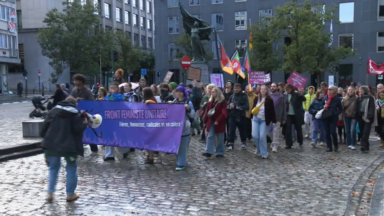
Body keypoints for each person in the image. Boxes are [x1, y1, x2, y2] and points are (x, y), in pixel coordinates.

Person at [40, 96, 87, 203]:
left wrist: (44, 138)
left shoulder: (53, 111)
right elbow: (78, 129)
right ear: (74, 104)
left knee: (53, 169)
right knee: (71, 168)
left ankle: (50, 193)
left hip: (51, 144)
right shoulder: (75, 114)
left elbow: (44, 128)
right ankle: (70, 194)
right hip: (69, 147)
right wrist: (85, 123)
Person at [170, 85, 195, 171]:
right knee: (175, 146)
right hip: (175, 128)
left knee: (182, 147)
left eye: (176, 92)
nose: (174, 93)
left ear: (181, 93)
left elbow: (192, 115)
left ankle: (181, 163)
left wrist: (188, 109)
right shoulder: (174, 101)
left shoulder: (188, 102)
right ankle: (181, 159)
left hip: (185, 128)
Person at [103, 83, 129, 161]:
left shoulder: (120, 96)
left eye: (114, 88)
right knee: (109, 136)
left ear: (117, 89)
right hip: (109, 118)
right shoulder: (107, 97)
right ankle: (109, 155)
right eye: (111, 88)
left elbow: (120, 100)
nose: (112, 89)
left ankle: (125, 150)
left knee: (120, 136)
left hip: (118, 118)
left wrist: (114, 94)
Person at [251, 85, 276, 159]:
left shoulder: (269, 100)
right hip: (256, 119)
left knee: (262, 136)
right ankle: (258, 148)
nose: (263, 90)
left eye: (265, 89)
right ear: (260, 90)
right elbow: (253, 108)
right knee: (255, 135)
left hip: (264, 120)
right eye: (262, 89)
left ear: (267, 90)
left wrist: (273, 121)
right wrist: (251, 116)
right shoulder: (256, 98)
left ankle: (264, 153)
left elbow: (272, 111)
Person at [202, 86, 227, 158]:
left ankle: (220, 152)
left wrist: (218, 120)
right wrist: (205, 121)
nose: (212, 93)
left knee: (220, 137)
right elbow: (207, 112)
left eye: (214, 92)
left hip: (219, 122)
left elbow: (224, 112)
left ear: (217, 92)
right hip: (211, 121)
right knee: (210, 135)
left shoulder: (222, 101)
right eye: (212, 92)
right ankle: (208, 151)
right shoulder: (210, 102)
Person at [321, 85, 343, 152]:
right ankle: (329, 147)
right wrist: (323, 106)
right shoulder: (325, 98)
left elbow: (340, 109)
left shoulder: (337, 99)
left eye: (330, 89)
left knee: (333, 132)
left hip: (333, 117)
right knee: (327, 132)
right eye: (328, 89)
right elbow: (320, 106)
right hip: (325, 117)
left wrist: (335, 113)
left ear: (334, 91)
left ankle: (335, 145)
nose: (329, 90)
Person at [227, 83, 249, 150]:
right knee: (231, 130)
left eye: (237, 88)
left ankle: (243, 142)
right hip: (232, 115)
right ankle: (231, 143)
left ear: (240, 88)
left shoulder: (244, 96)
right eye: (235, 88)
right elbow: (227, 105)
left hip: (241, 116)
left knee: (242, 130)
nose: (236, 89)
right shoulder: (232, 96)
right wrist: (229, 106)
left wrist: (236, 107)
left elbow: (246, 107)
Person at [284, 84, 306, 149]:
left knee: (298, 128)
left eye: (288, 89)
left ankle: (300, 141)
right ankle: (289, 144)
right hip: (288, 114)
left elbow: (304, 99)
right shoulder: (285, 95)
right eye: (286, 89)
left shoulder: (296, 94)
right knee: (288, 129)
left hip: (296, 114)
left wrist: (300, 94)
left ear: (291, 89)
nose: (287, 91)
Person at [356, 86, 375, 152]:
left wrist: (369, 117)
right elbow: (357, 107)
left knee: (366, 132)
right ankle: (366, 146)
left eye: (361, 90)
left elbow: (371, 108)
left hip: (367, 116)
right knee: (361, 132)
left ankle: (363, 145)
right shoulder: (359, 98)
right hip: (360, 116)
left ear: (365, 90)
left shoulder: (370, 98)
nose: (360, 91)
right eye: (359, 90)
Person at [141, 87, 158, 164]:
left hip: (150, 123)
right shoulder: (144, 100)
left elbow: (155, 106)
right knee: (146, 141)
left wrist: (150, 101)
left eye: (143, 91)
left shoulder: (152, 100)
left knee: (150, 141)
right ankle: (148, 155)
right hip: (145, 123)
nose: (141, 93)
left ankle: (151, 157)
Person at [269, 82, 286, 152]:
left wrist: (284, 117)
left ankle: (275, 144)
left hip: (277, 116)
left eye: (274, 86)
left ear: (277, 87)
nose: (272, 88)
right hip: (269, 116)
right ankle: (273, 141)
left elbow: (284, 107)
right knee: (270, 131)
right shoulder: (268, 95)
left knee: (275, 131)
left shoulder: (281, 96)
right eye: (271, 86)